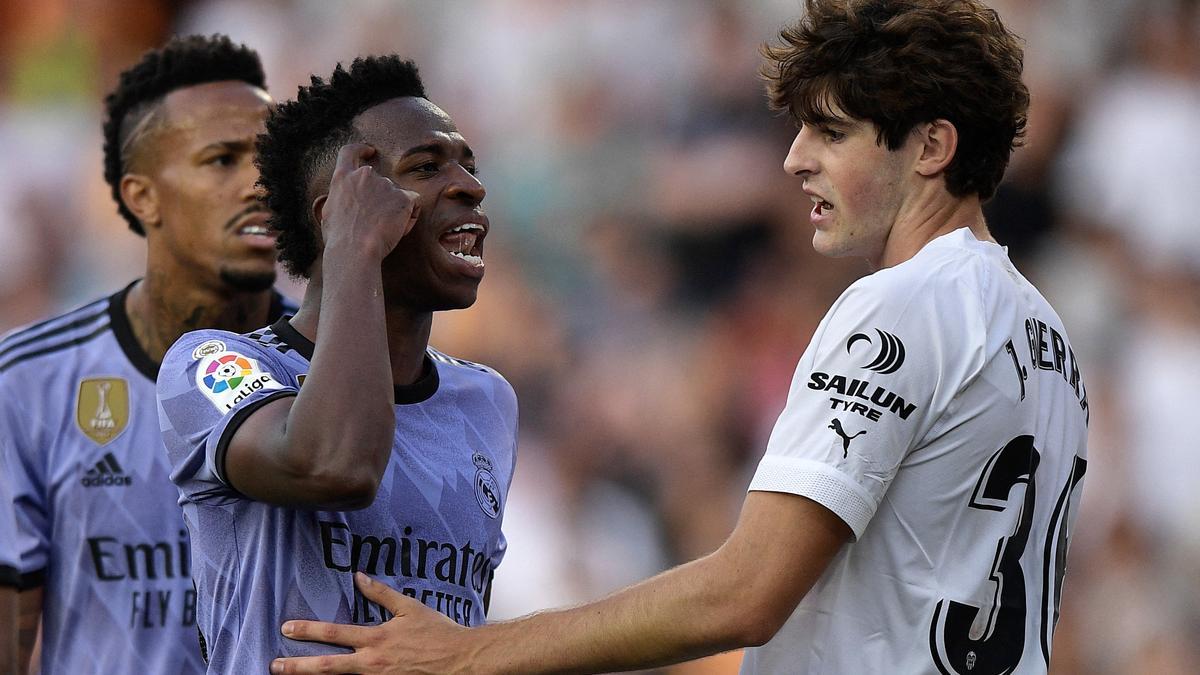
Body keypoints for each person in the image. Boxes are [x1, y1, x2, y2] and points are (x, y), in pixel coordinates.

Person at [269, 1, 1091, 673]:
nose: (794, 161)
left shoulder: (901, 307)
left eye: (832, 132)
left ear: (933, 147)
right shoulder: (1043, 332)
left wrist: (467, 654)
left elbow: (747, 592)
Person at [154, 54, 517, 672]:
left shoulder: (487, 400)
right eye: (427, 167)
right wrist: (355, 248)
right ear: (337, 213)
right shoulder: (214, 365)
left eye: (469, 164)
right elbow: (334, 466)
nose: (470, 186)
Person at [0, 34, 296, 673]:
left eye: (270, 158)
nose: (260, 183)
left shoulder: (337, 372)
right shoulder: (27, 382)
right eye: (223, 160)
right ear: (143, 197)